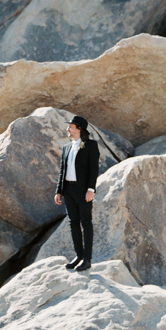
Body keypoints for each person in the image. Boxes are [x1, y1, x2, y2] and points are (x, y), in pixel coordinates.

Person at [54, 115, 99, 272]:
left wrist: (91, 190)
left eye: (71, 126)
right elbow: (62, 171)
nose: (68, 129)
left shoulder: (91, 145)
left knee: (86, 223)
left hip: (83, 191)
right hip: (69, 191)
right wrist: (59, 191)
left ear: (79, 129)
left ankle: (87, 259)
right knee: (73, 223)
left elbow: (94, 169)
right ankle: (78, 256)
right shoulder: (67, 147)